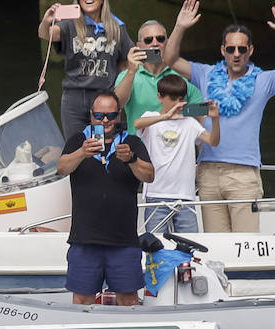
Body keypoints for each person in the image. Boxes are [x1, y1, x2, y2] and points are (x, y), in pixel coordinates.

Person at [162, 1, 275, 232]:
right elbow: (169, 59)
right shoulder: (206, 74)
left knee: (246, 245)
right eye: (231, 49)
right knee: (216, 249)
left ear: (250, 50)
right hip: (208, 171)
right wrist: (180, 26)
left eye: (242, 49)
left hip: (243, 173)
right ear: (223, 51)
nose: (236, 54)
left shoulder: (264, 80)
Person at [56, 89, 154, 305]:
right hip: (84, 240)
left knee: (129, 300)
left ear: (119, 115)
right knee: (82, 300)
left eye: (111, 115)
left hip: (123, 240)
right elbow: (62, 168)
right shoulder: (79, 140)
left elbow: (149, 175)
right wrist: (82, 152)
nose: (105, 120)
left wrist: (131, 159)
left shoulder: (131, 143)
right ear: (91, 115)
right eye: (99, 116)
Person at [134, 75, 220, 234]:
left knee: (191, 247)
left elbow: (213, 141)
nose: (177, 103)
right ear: (160, 97)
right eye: (173, 98)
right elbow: (136, 124)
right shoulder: (150, 117)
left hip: (185, 196)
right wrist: (166, 116)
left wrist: (215, 119)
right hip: (156, 194)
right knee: (156, 247)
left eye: (181, 99)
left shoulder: (190, 122)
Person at [38, 0, 134, 138]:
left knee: (101, 147)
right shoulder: (70, 23)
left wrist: (118, 93)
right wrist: (47, 21)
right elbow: (45, 34)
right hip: (74, 97)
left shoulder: (117, 26)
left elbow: (126, 62)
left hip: (104, 98)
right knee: (76, 146)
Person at [113, 19, 201, 131]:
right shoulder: (128, 75)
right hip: (140, 147)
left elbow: (201, 112)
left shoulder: (181, 75)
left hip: (174, 145)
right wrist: (131, 71)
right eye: (148, 40)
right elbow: (116, 106)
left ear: (167, 43)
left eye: (160, 39)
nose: (155, 43)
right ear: (139, 46)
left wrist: (180, 109)